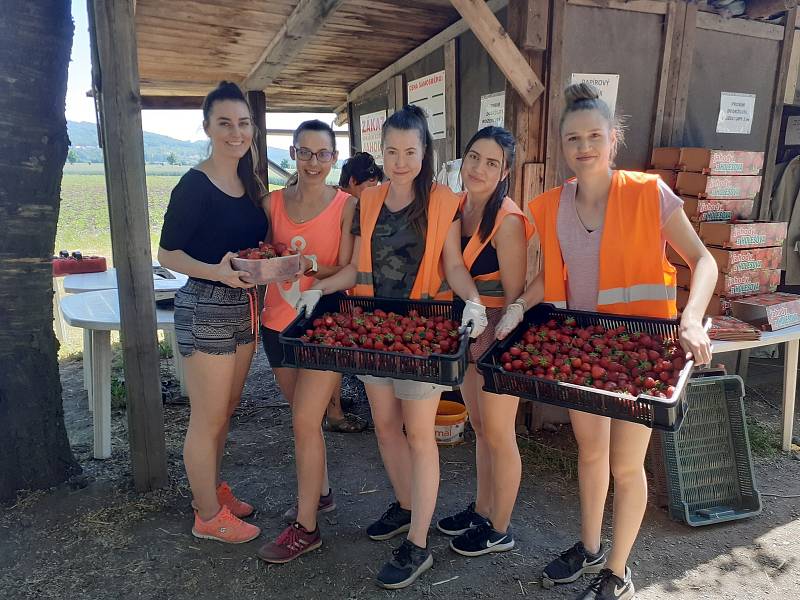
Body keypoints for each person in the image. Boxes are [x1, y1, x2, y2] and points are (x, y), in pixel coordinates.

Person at [496, 83, 716, 600]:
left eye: (595, 135)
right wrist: (515, 310)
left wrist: (691, 318)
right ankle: (590, 547)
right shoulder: (547, 205)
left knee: (625, 464)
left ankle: (618, 571)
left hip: (643, 353)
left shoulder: (648, 193)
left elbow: (702, 261)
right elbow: (545, 280)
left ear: (612, 139)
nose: (584, 147)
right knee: (590, 453)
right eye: (573, 138)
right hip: (582, 351)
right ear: (562, 145)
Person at [297, 105, 489, 589]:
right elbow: (355, 269)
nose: (400, 160)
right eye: (391, 151)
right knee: (385, 427)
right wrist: (321, 288)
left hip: (423, 335)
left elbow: (453, 265)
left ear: (425, 153)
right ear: (380, 152)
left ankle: (419, 544)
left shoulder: (444, 201)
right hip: (372, 331)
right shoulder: (368, 199)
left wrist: (472, 301)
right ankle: (406, 507)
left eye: (410, 151)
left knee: (420, 435)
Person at [158, 81, 268, 544]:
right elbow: (166, 254)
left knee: (226, 410)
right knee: (207, 416)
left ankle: (212, 492)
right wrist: (216, 272)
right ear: (207, 128)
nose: (235, 132)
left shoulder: (250, 182)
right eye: (224, 123)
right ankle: (207, 516)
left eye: (242, 123)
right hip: (204, 304)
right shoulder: (194, 184)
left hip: (243, 308)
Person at [256, 120, 358, 563]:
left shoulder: (347, 206)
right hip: (277, 324)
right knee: (306, 420)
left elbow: (352, 268)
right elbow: (259, 255)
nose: (313, 163)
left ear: (334, 158)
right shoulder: (271, 202)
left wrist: (311, 273)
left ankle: (306, 528)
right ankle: (321, 493)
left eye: (322, 154)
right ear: (293, 153)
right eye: (304, 153)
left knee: (302, 422)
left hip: (325, 326)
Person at [435, 126, 532, 557]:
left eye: (491, 163)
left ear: (504, 171)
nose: (479, 168)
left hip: (500, 331)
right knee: (478, 426)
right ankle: (482, 508)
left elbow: (514, 297)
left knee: (498, 431)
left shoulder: (508, 221)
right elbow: (452, 264)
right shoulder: (456, 207)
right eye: (474, 157)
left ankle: (501, 526)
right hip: (469, 323)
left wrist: (498, 339)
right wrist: (472, 303)